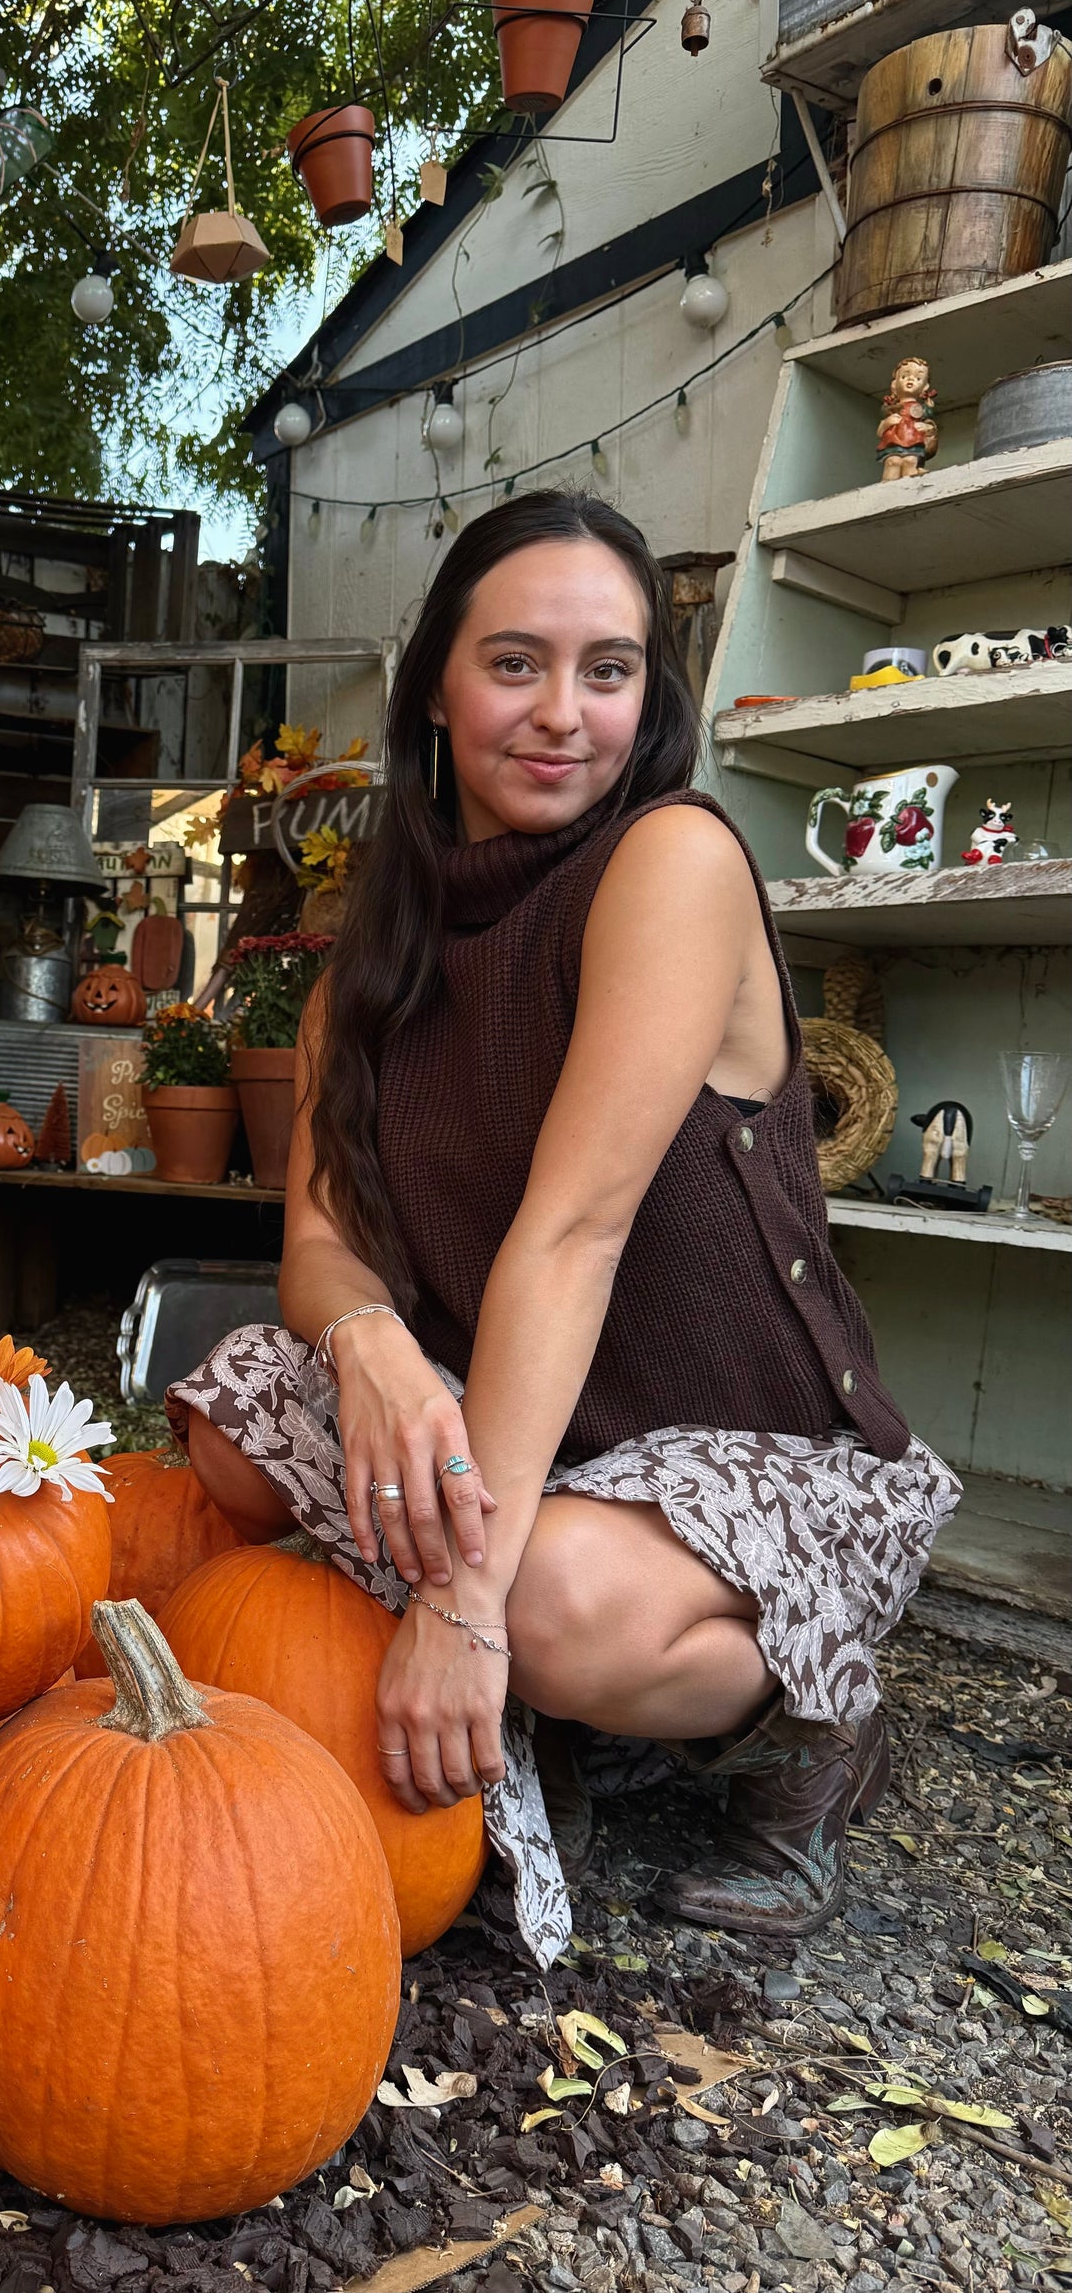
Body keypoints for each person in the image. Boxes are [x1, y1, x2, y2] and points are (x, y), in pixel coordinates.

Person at [168, 490, 957, 1960]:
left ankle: (805, 1737)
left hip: (751, 1442)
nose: (561, 715)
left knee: (539, 1607)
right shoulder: (378, 953)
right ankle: (550, 1698)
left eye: (607, 671)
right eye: (513, 663)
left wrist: (458, 1610)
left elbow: (572, 1235)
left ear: (648, 699)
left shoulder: (670, 863)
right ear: (436, 695)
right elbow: (322, 1244)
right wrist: (374, 1350)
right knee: (234, 1421)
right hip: (546, 1411)